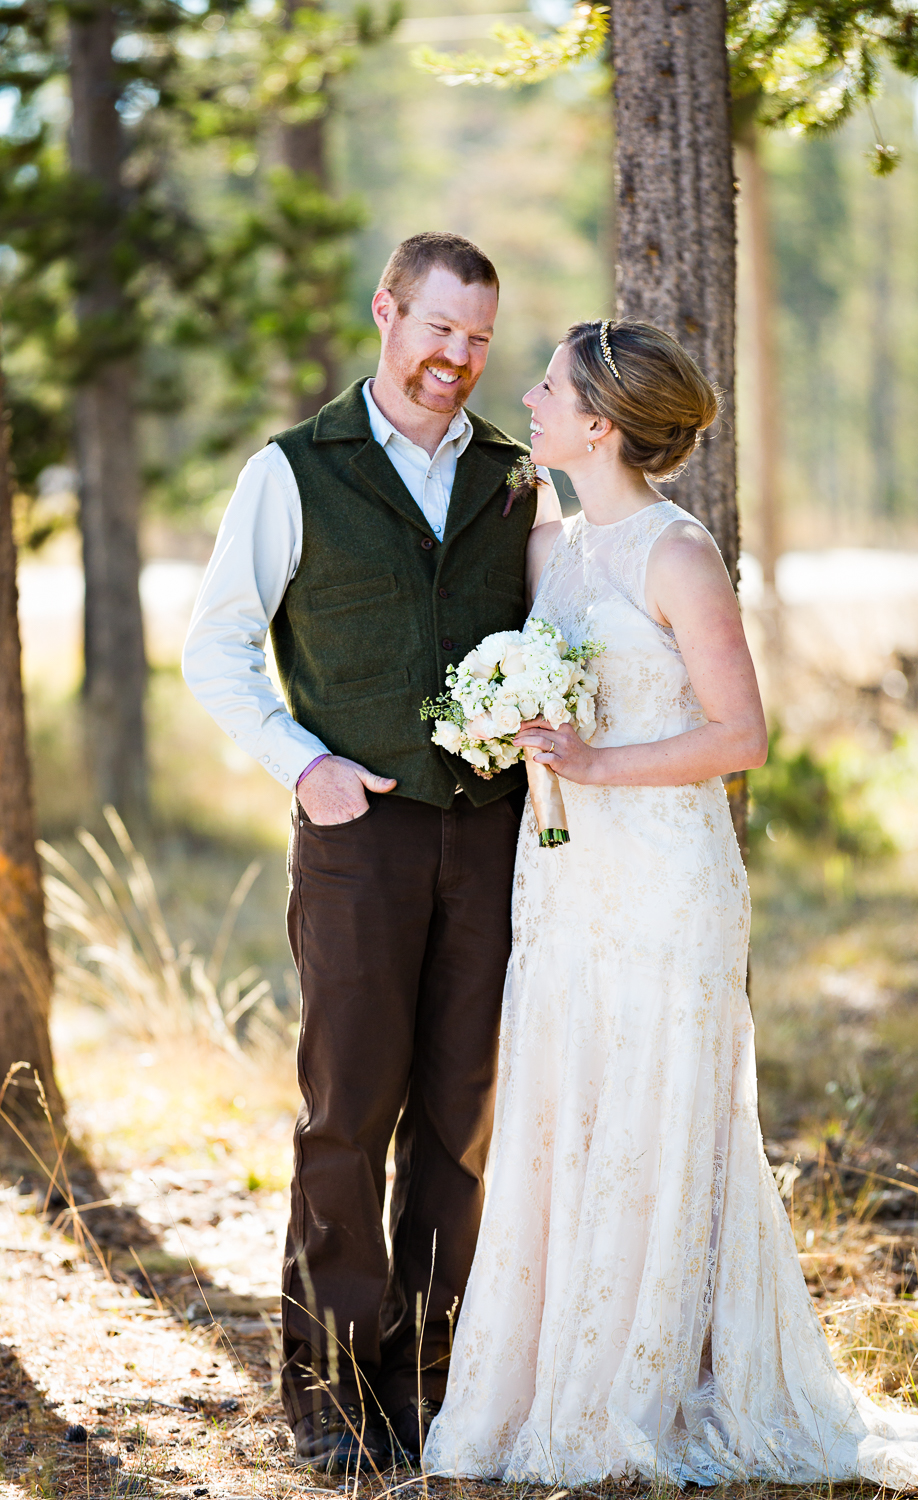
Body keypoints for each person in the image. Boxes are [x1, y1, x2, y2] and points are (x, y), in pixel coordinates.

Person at [423, 320, 918, 1491]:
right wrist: (511, 729)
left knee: (656, 1109)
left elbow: (742, 737)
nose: (524, 397)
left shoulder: (677, 555)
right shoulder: (558, 547)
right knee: (568, 1102)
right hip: (567, 877)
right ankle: (548, 1381)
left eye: (547, 385)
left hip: (664, 881)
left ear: (600, 424)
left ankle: (645, 1391)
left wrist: (592, 763)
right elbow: (558, 690)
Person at [182, 232, 561, 1473]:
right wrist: (306, 765)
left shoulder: (517, 475)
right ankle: (336, 1401)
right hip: (356, 845)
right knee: (347, 1117)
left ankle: (434, 1392)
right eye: (438, 329)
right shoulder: (292, 471)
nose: (456, 359)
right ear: (387, 313)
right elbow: (216, 648)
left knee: (458, 1125)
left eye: (479, 339)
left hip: (493, 842)